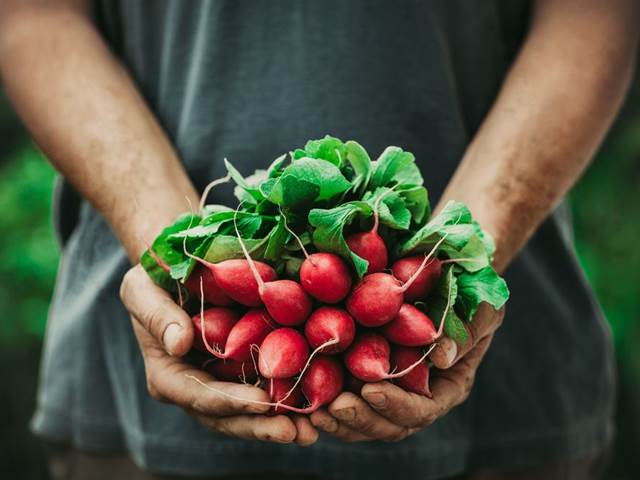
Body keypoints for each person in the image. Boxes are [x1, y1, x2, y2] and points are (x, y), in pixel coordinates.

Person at [1, 0, 637, 479]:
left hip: (513, 400)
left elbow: (595, 16)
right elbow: (35, 18)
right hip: (132, 402)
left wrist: (462, 260)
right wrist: (175, 251)